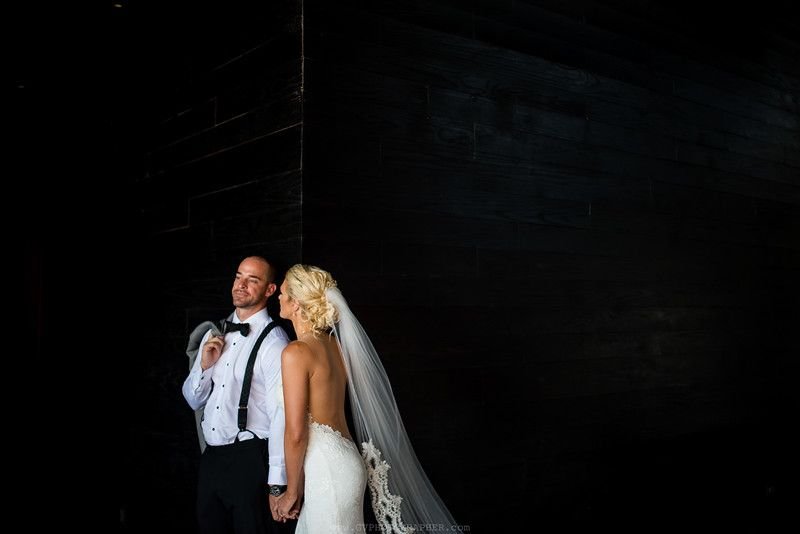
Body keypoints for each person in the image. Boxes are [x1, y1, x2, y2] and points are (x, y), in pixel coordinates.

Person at [275, 264, 458, 533]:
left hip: (327, 469)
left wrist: (292, 491)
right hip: (345, 462)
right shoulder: (335, 347)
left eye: (282, 293)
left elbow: (296, 433)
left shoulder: (295, 352)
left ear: (297, 304)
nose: (278, 298)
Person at [182, 256, 295, 534]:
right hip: (211, 459)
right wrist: (205, 367)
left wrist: (277, 483)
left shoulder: (275, 343)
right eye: (238, 277)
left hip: (249, 460)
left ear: (270, 290)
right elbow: (193, 399)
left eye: (252, 280)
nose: (241, 285)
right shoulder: (216, 331)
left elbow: (281, 416)